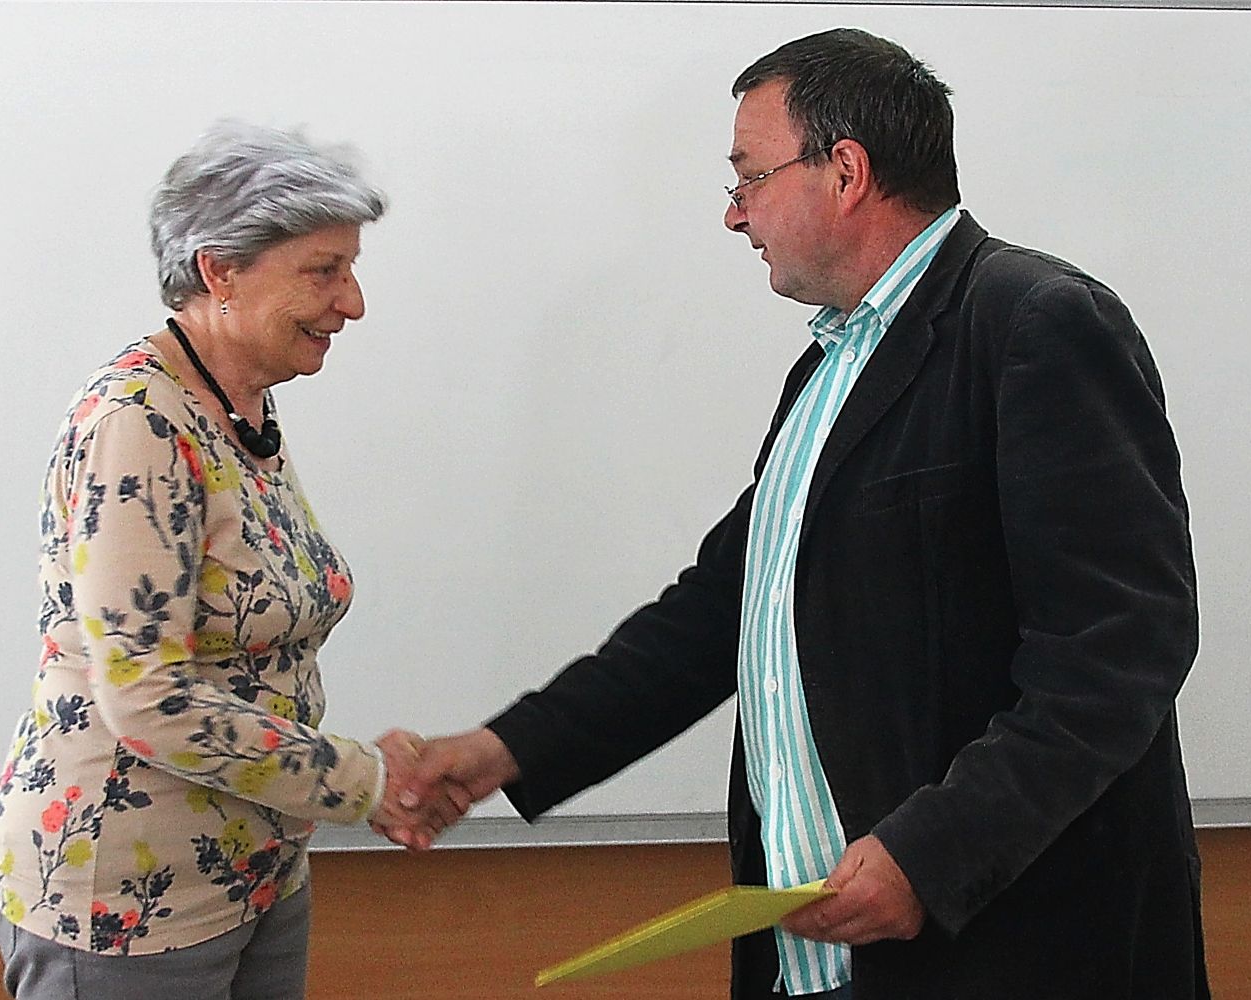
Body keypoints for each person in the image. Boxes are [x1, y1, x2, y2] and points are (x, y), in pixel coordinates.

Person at [393, 29, 1209, 1000]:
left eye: (750, 176)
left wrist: (930, 855)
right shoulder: (832, 363)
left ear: (846, 172)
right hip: (818, 954)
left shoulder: (1036, 321)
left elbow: (1118, 652)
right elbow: (720, 611)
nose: (734, 213)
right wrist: (504, 751)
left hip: (1006, 950)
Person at [0, 121, 460, 1000]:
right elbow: (147, 699)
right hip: (127, 896)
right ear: (219, 271)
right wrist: (365, 779)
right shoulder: (138, 423)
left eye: (350, 269)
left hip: (254, 870)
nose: (353, 303)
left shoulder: (239, 406)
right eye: (324, 271)